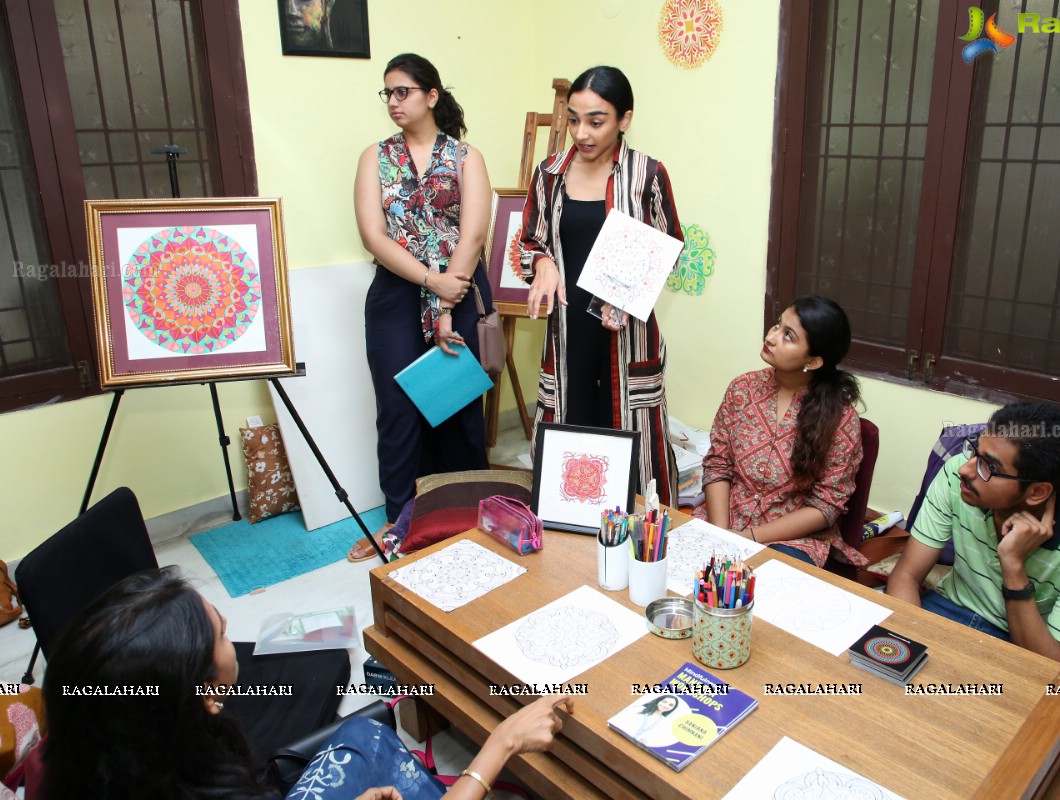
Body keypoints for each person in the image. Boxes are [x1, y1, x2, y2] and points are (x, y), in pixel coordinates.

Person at [41, 567, 574, 799]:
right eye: (225, 635)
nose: (235, 643)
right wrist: (501, 742)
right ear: (203, 695)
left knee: (362, 737)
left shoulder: (85, 760)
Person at [886, 401, 1060, 779]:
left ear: (1036, 493)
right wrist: (912, 655)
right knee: (869, 670)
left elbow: (1055, 671)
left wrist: (1014, 569)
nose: (966, 469)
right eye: (974, 452)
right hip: (949, 610)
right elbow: (905, 577)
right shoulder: (955, 477)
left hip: (1027, 644)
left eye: (988, 467)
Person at [349, 53, 494, 561]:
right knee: (397, 409)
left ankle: (460, 513)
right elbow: (373, 233)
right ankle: (398, 522)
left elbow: (473, 232)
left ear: (431, 96)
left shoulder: (466, 157)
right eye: (387, 93)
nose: (393, 102)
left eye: (403, 91)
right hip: (395, 293)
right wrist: (431, 282)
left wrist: (446, 300)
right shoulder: (375, 156)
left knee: (454, 404)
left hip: (458, 287)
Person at [519, 65, 682, 506]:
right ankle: (567, 528)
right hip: (568, 332)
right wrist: (543, 263)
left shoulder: (647, 174)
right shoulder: (549, 173)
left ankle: (645, 535)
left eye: (596, 121)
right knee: (568, 427)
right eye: (573, 119)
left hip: (625, 333)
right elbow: (528, 240)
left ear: (624, 119)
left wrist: (629, 293)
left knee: (635, 436)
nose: (581, 133)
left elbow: (671, 245)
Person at [695, 296, 868, 570]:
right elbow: (718, 464)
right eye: (777, 325)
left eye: (788, 336)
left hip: (790, 540)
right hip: (725, 519)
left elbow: (826, 505)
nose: (772, 337)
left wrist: (748, 539)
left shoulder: (841, 419)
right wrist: (721, 534)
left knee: (753, 595)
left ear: (812, 361)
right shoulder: (743, 389)